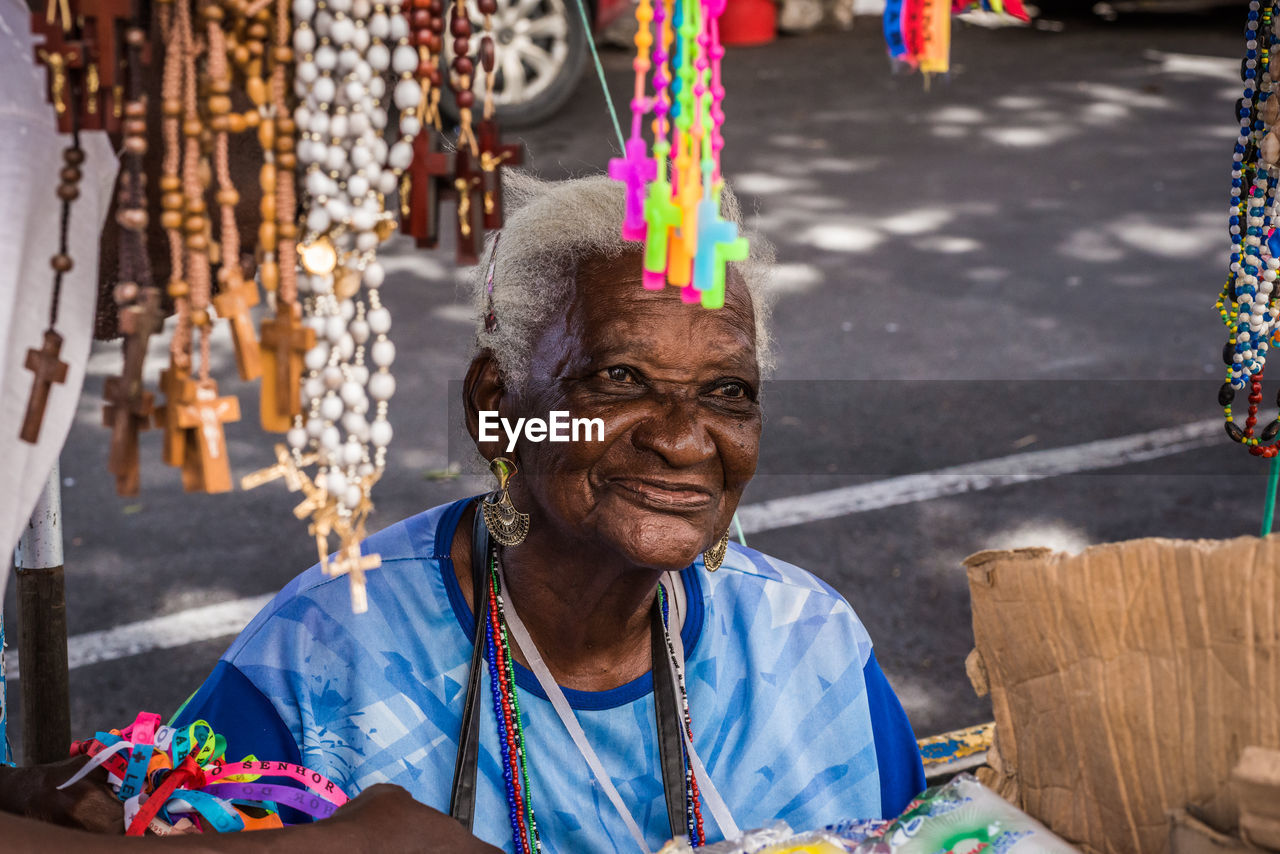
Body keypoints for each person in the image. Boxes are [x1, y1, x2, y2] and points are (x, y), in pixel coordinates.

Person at [27, 171, 925, 850]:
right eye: (619, 379)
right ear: (495, 407)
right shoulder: (329, 652)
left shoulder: (812, 644)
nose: (686, 441)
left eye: (728, 391)